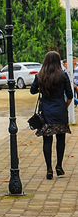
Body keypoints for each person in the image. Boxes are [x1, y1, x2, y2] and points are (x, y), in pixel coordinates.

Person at [30, 51, 72, 180]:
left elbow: (32, 91)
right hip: (60, 111)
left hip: (46, 113)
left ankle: (49, 169)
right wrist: (64, 107)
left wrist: (40, 85)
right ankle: (59, 166)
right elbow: (70, 96)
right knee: (60, 139)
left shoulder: (40, 76)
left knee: (47, 140)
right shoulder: (63, 75)